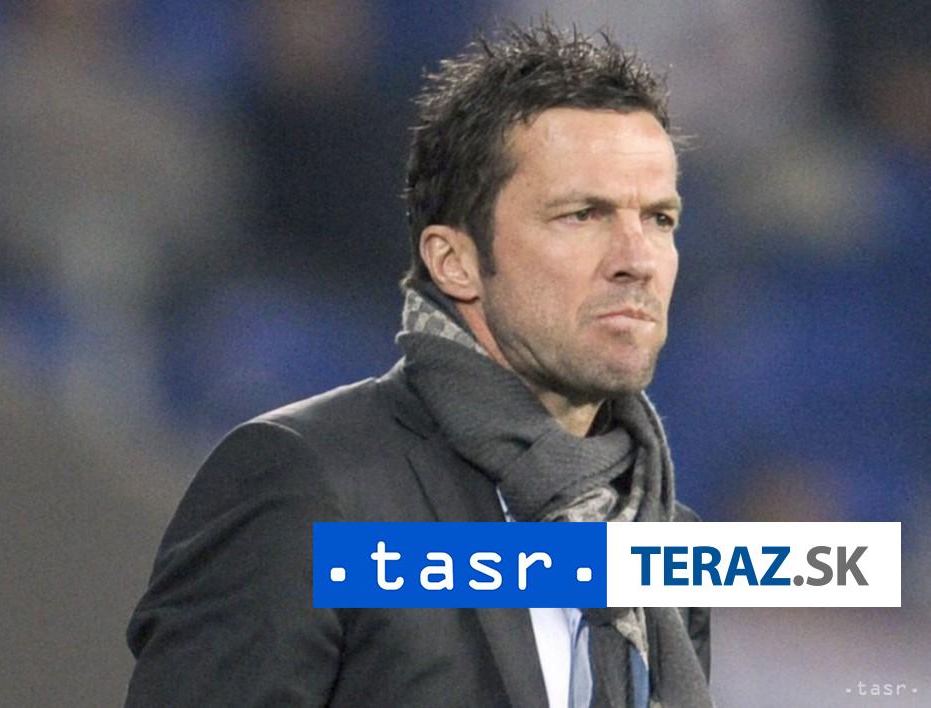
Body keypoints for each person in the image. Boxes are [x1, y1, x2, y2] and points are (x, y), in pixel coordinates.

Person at [125, 22, 712, 708]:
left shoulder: (661, 537)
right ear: (455, 261)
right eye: (583, 215)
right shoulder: (311, 484)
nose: (638, 259)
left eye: (660, 219)